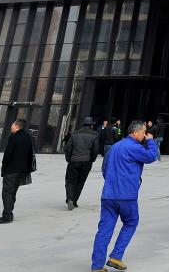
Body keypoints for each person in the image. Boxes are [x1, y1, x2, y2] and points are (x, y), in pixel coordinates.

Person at [90, 120, 157, 271]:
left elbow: (105, 169)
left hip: (108, 194)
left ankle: (97, 266)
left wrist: (112, 183)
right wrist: (151, 141)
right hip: (126, 195)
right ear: (135, 133)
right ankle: (116, 256)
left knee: (104, 229)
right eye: (143, 132)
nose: (144, 135)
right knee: (131, 222)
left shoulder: (115, 147)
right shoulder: (134, 147)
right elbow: (151, 156)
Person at [0, 119, 34, 224]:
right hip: (22, 170)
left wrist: (4, 166)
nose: (11, 126)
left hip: (11, 169)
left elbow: (8, 154)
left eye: (12, 124)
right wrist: (28, 169)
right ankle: (9, 213)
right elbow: (31, 154)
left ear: (17, 126)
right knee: (12, 192)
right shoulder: (28, 137)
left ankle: (7, 216)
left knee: (7, 192)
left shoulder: (13, 137)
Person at [65, 116, 99, 210]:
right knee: (80, 181)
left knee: (70, 181)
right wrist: (92, 159)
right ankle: (74, 201)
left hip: (74, 160)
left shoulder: (74, 133)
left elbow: (68, 148)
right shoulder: (95, 135)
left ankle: (70, 198)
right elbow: (95, 149)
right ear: (91, 125)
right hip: (86, 161)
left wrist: (69, 158)